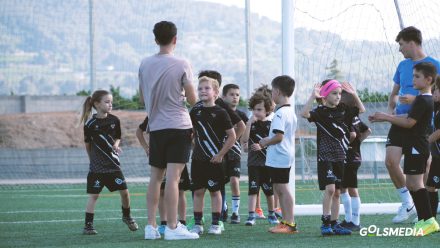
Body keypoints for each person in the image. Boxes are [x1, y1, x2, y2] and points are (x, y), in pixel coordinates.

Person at [138, 21, 198, 240]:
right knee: (173, 179)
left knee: (155, 178)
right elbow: (193, 100)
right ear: (175, 39)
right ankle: (173, 227)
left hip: (156, 128)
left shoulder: (144, 64)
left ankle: (151, 227)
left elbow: (142, 98)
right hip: (179, 127)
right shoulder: (183, 63)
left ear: (155, 39)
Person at [369, 62, 440, 236]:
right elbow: (408, 117)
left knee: (416, 183)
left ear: (428, 79)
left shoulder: (424, 99)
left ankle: (429, 221)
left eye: (417, 76)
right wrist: (385, 117)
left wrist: (386, 117)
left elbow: (409, 123)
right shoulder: (423, 98)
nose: (412, 79)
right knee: (410, 183)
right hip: (413, 146)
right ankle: (425, 220)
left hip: (418, 147)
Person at [385, 26, 440, 223]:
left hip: (421, 125)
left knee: (420, 173)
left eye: (401, 44)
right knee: (391, 161)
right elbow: (393, 94)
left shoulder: (435, 65)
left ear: (411, 42)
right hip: (400, 121)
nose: (400, 49)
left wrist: (416, 98)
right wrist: (391, 108)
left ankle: (424, 214)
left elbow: (436, 96)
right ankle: (407, 202)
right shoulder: (402, 66)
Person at [301, 79, 365, 235]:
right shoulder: (320, 112)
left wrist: (355, 95)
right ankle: (325, 223)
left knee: (337, 192)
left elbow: (361, 109)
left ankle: (335, 223)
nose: (338, 96)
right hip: (325, 157)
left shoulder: (344, 110)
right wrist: (312, 96)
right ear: (325, 95)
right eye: (334, 93)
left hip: (340, 157)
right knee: (330, 189)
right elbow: (304, 114)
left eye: (340, 93)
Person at [80, 90, 138, 235]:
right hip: (97, 168)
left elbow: (118, 137)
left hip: (113, 166)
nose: (110, 104)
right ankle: (88, 225)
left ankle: (127, 216)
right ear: (96, 104)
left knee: (125, 193)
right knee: (94, 196)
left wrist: (116, 145)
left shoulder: (114, 120)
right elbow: (87, 144)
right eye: (107, 102)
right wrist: (92, 160)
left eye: (111, 102)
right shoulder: (90, 124)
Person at [189, 76, 237, 235]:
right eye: (200, 88)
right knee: (198, 191)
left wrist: (220, 154)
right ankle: (197, 223)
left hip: (215, 160)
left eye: (207, 88)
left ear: (216, 92)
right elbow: (192, 132)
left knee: (215, 191)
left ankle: (216, 223)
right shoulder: (195, 111)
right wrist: (193, 145)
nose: (203, 91)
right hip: (197, 160)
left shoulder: (221, 112)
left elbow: (232, 136)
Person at [135, 116, 190, 235]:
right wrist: (146, 147)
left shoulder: (154, 109)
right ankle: (170, 226)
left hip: (161, 136)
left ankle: (154, 226)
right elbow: (139, 131)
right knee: (167, 185)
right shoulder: (176, 110)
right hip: (176, 134)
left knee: (167, 185)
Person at [259, 75, 297, 234]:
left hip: (280, 155)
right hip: (283, 154)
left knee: (283, 189)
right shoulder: (289, 111)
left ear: (277, 92)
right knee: (279, 189)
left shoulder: (280, 114)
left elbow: (279, 136)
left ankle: (290, 224)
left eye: (272, 91)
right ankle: (285, 222)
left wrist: (265, 141)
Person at [241, 90, 279, 226]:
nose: (256, 112)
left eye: (259, 109)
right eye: (254, 109)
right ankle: (251, 216)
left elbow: (276, 141)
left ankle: (272, 214)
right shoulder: (250, 124)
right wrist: (249, 124)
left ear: (267, 110)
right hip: (253, 164)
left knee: (269, 191)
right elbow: (244, 141)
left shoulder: (272, 124)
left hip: (268, 163)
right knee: (253, 189)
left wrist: (262, 146)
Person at [339, 91, 372, 231]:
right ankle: (348, 219)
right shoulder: (356, 118)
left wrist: (345, 144)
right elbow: (368, 130)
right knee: (343, 188)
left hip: (349, 158)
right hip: (354, 156)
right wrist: (357, 144)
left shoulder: (347, 117)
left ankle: (355, 222)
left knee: (350, 189)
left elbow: (352, 134)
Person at [222, 83, 248, 224]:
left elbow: (245, 132)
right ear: (224, 96)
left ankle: (235, 213)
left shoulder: (242, 115)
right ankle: (223, 207)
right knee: (220, 183)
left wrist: (242, 143)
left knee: (234, 180)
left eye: (237, 95)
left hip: (234, 154)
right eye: (231, 94)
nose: (235, 97)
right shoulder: (219, 112)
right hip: (220, 153)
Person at [426, 75, 440, 219]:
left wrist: (425, 142)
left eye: (437, 90)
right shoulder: (435, 107)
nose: (435, 93)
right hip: (437, 156)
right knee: (431, 186)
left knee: (431, 186)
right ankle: (431, 220)